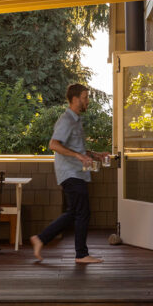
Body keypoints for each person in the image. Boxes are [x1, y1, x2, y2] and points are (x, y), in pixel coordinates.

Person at [30, 84, 108, 264]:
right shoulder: (66, 120)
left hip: (76, 173)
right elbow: (54, 144)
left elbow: (76, 148)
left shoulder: (76, 120)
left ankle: (41, 239)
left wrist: (95, 154)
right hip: (70, 173)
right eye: (85, 97)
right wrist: (78, 156)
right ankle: (81, 254)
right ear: (75, 99)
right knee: (82, 212)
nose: (88, 101)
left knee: (75, 211)